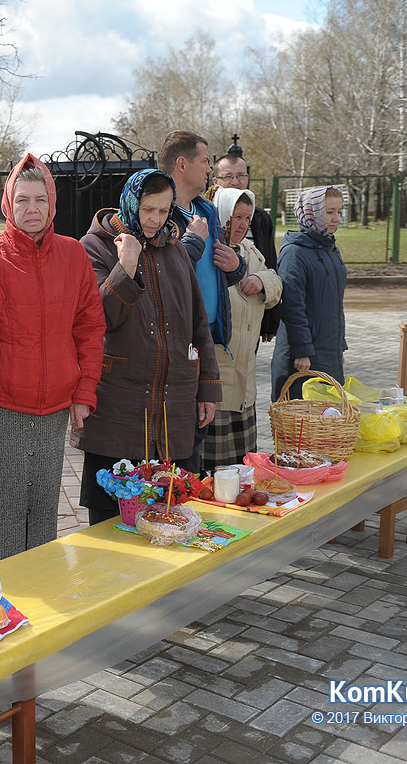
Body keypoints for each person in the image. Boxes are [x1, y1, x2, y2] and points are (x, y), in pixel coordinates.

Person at [0, 154, 105, 563]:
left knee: (43, 519)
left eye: (40, 200)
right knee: (6, 517)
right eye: (22, 201)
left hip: (55, 409)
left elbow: (89, 328)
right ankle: (1, 608)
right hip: (3, 409)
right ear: (8, 204)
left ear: (52, 203)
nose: (31, 209)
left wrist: (83, 392)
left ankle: (42, 608)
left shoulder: (72, 256)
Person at [71, 169, 221, 525]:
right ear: (130, 203)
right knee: (113, 526)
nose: (155, 220)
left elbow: (198, 323)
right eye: (147, 209)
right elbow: (97, 321)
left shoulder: (175, 250)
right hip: (118, 413)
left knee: (172, 515)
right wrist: (126, 265)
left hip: (174, 410)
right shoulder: (92, 248)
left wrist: (208, 389)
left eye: (163, 210)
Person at [157, 131, 243, 474]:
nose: (210, 170)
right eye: (206, 161)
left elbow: (222, 271)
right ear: (182, 164)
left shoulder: (206, 209)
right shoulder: (158, 212)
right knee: (176, 442)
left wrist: (237, 267)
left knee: (196, 436)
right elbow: (158, 276)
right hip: (173, 345)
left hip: (205, 341)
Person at [201, 188, 283, 473]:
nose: (242, 224)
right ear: (222, 215)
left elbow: (277, 284)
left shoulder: (249, 251)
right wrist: (239, 271)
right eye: (236, 216)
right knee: (214, 476)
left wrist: (259, 279)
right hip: (218, 386)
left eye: (247, 217)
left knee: (243, 474)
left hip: (245, 386)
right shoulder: (208, 251)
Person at [271, 186, 347, 401]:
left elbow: (333, 305)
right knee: (300, 426)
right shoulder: (295, 252)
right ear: (311, 212)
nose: (336, 218)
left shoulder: (330, 248)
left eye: (339, 211)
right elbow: (292, 306)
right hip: (302, 356)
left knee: (327, 423)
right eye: (329, 212)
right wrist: (302, 351)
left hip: (327, 351)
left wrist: (338, 347)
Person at [213, 153, 280, 341]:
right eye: (228, 176)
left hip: (251, 320)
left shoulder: (260, 218)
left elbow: (268, 265)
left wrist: (270, 321)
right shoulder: (204, 220)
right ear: (216, 181)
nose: (235, 182)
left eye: (241, 176)